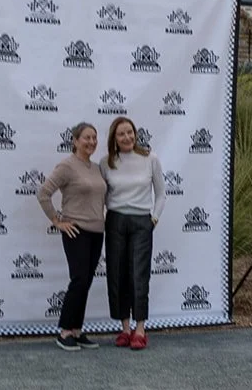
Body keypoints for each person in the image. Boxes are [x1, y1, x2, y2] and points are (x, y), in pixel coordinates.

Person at [37, 123, 107, 351]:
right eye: (86, 137)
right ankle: (65, 331)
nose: (91, 142)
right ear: (75, 141)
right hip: (76, 230)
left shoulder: (97, 168)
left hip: (97, 232)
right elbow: (44, 193)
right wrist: (57, 221)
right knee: (78, 280)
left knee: (85, 282)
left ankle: (77, 330)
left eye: (94, 138)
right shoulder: (67, 166)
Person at [102, 116, 166, 350]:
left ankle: (140, 328)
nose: (127, 137)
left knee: (139, 275)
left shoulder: (151, 159)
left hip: (142, 221)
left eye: (130, 132)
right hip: (116, 221)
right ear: (114, 139)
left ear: (135, 134)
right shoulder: (106, 162)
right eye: (121, 134)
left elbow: (161, 193)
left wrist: (153, 219)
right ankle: (125, 328)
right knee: (118, 275)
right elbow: (102, 194)